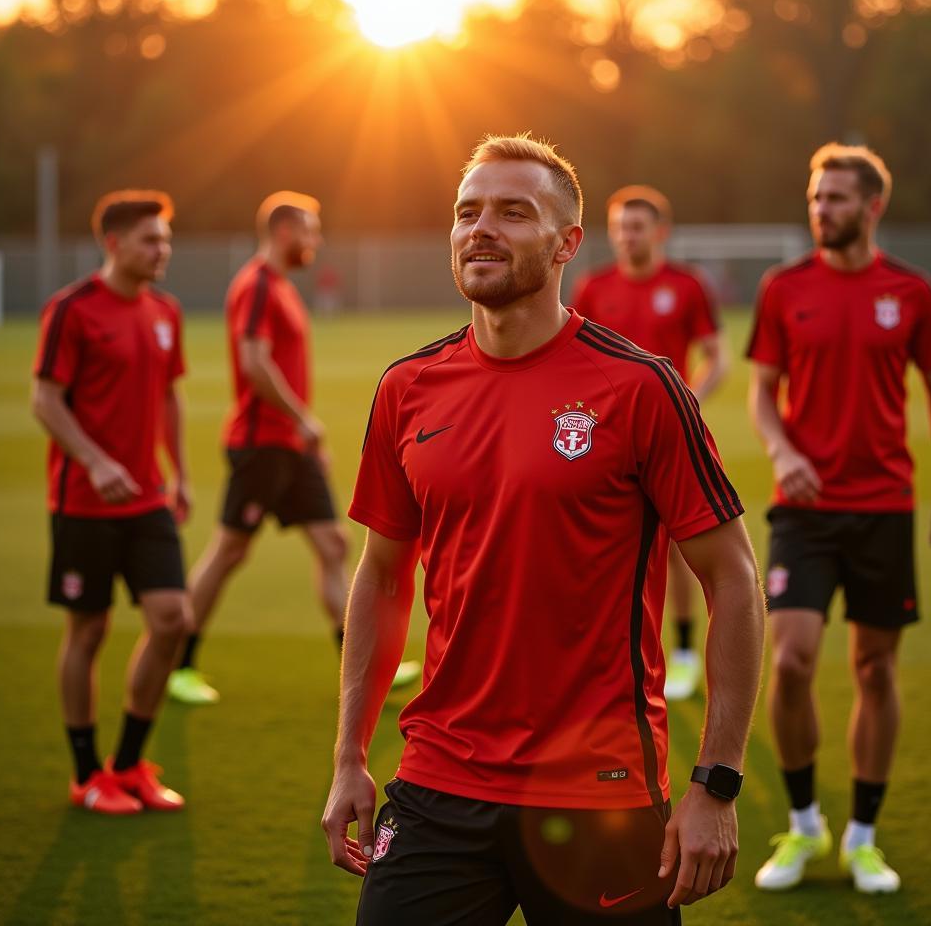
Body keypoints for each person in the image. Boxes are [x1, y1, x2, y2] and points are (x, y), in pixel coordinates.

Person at [322, 134, 765, 924]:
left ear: (567, 244)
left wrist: (716, 783)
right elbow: (383, 576)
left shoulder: (642, 389)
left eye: (512, 212)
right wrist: (349, 754)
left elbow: (732, 578)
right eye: (467, 212)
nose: (479, 229)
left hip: (600, 793)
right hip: (438, 783)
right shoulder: (407, 389)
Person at [747, 143, 931, 894]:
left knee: (875, 667)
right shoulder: (783, 288)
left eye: (837, 198)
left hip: (884, 507)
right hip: (804, 511)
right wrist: (781, 451)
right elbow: (761, 392)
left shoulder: (910, 290)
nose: (822, 210)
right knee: (791, 660)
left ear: (873, 206)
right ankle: (805, 824)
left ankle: (864, 836)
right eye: (815, 197)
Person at [168, 193, 422, 706]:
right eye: (311, 229)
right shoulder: (258, 285)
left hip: (290, 445)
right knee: (229, 551)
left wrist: (304, 438)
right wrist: (303, 420)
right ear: (285, 232)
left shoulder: (280, 286)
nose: (317, 240)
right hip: (262, 444)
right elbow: (255, 363)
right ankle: (179, 664)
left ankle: (364, 668)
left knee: (332, 545)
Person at [32, 190, 190, 815]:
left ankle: (127, 767)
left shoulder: (165, 312)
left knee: (172, 619)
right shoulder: (72, 310)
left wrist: (178, 474)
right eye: (151, 240)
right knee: (89, 629)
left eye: (166, 240)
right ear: (115, 243)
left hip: (146, 498)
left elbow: (170, 396)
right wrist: (95, 462)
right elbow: (46, 399)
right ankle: (84, 773)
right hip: (83, 502)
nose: (163, 251)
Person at [572, 186, 729, 701]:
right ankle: (610, 658)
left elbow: (717, 357)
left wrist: (685, 400)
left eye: (636, 227)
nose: (626, 235)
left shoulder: (687, 285)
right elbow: (574, 359)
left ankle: (683, 652)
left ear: (659, 232)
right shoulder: (594, 288)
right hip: (608, 439)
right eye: (619, 226)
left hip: (670, 435)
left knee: (682, 547)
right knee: (601, 547)